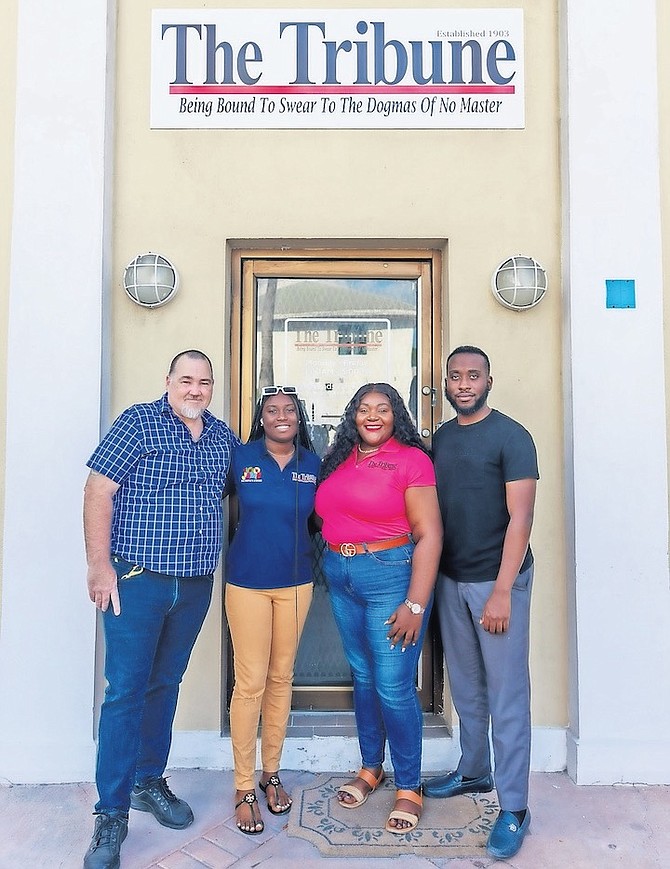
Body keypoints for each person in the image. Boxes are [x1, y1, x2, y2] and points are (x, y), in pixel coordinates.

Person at [82, 350, 239, 869]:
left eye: (204, 383)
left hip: (193, 585)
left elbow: (246, 492)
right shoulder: (139, 422)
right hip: (136, 580)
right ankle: (111, 814)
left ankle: (150, 780)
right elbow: (99, 490)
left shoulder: (220, 437)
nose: (195, 390)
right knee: (125, 691)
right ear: (168, 381)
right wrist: (99, 566)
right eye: (186, 380)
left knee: (165, 683)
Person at [423, 346, 539, 860]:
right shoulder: (442, 440)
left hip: (500, 584)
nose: (464, 384)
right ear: (444, 383)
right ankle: (474, 771)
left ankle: (514, 807)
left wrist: (500, 591)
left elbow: (521, 518)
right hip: (451, 581)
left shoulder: (512, 437)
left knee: (507, 696)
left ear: (490, 379)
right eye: (455, 376)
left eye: (473, 376)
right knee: (466, 689)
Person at [314, 383, 442, 835]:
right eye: (364, 409)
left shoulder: (411, 459)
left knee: (392, 686)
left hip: (390, 574)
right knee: (364, 677)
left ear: (396, 416)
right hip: (341, 573)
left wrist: (415, 602)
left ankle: (410, 785)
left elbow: (429, 534)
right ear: (352, 415)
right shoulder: (339, 458)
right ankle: (372, 768)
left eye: (382, 409)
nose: (372, 416)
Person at [225, 386, 320, 835]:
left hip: (297, 584)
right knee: (251, 683)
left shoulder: (314, 465)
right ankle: (244, 787)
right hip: (246, 583)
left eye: (289, 411)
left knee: (283, 677)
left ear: (299, 419)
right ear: (261, 418)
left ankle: (271, 773)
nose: (281, 416)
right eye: (271, 411)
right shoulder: (239, 458)